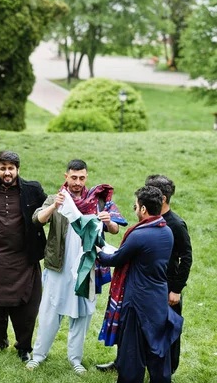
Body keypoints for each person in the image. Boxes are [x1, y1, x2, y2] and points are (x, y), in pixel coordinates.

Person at [26, 159, 127, 374]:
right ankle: (38, 356)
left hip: (87, 267)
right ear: (66, 177)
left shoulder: (98, 201)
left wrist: (108, 222)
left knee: (82, 315)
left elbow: (116, 229)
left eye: (82, 178)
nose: (78, 182)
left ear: (86, 177)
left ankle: (75, 359)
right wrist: (54, 206)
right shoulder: (57, 198)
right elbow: (37, 219)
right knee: (49, 313)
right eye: (74, 177)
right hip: (58, 266)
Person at [96, 175, 193, 375]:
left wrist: (97, 250)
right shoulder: (164, 230)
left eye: (136, 205)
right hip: (157, 296)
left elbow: (116, 259)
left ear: (144, 208)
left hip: (140, 299)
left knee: (134, 348)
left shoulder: (146, 232)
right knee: (157, 345)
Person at [0, 151, 47, 362]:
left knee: (26, 305)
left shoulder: (32, 189)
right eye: (3, 168)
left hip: (25, 257)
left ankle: (23, 347)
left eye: (11, 168)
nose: (7, 172)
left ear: (18, 169)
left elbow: (49, 210)